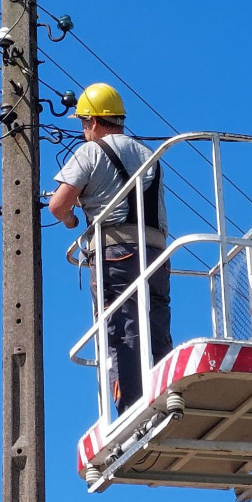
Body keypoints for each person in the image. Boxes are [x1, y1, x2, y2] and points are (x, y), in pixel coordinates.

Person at [48, 83, 172, 415]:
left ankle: (131, 411)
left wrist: (73, 222)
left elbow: (58, 206)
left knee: (123, 330)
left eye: (83, 123)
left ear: (91, 120)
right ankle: (167, 395)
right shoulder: (150, 155)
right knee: (157, 326)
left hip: (117, 253)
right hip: (157, 252)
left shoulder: (91, 152)